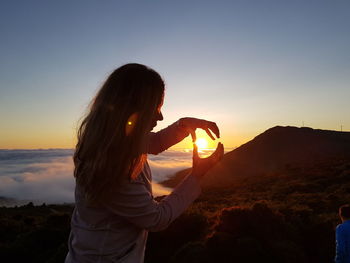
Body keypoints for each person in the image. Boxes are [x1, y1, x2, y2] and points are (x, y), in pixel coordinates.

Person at [65, 63, 224, 263]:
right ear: (130, 110)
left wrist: (184, 124)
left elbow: (155, 142)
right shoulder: (111, 167)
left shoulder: (111, 140)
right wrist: (196, 176)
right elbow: (156, 218)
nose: (160, 116)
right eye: (155, 107)